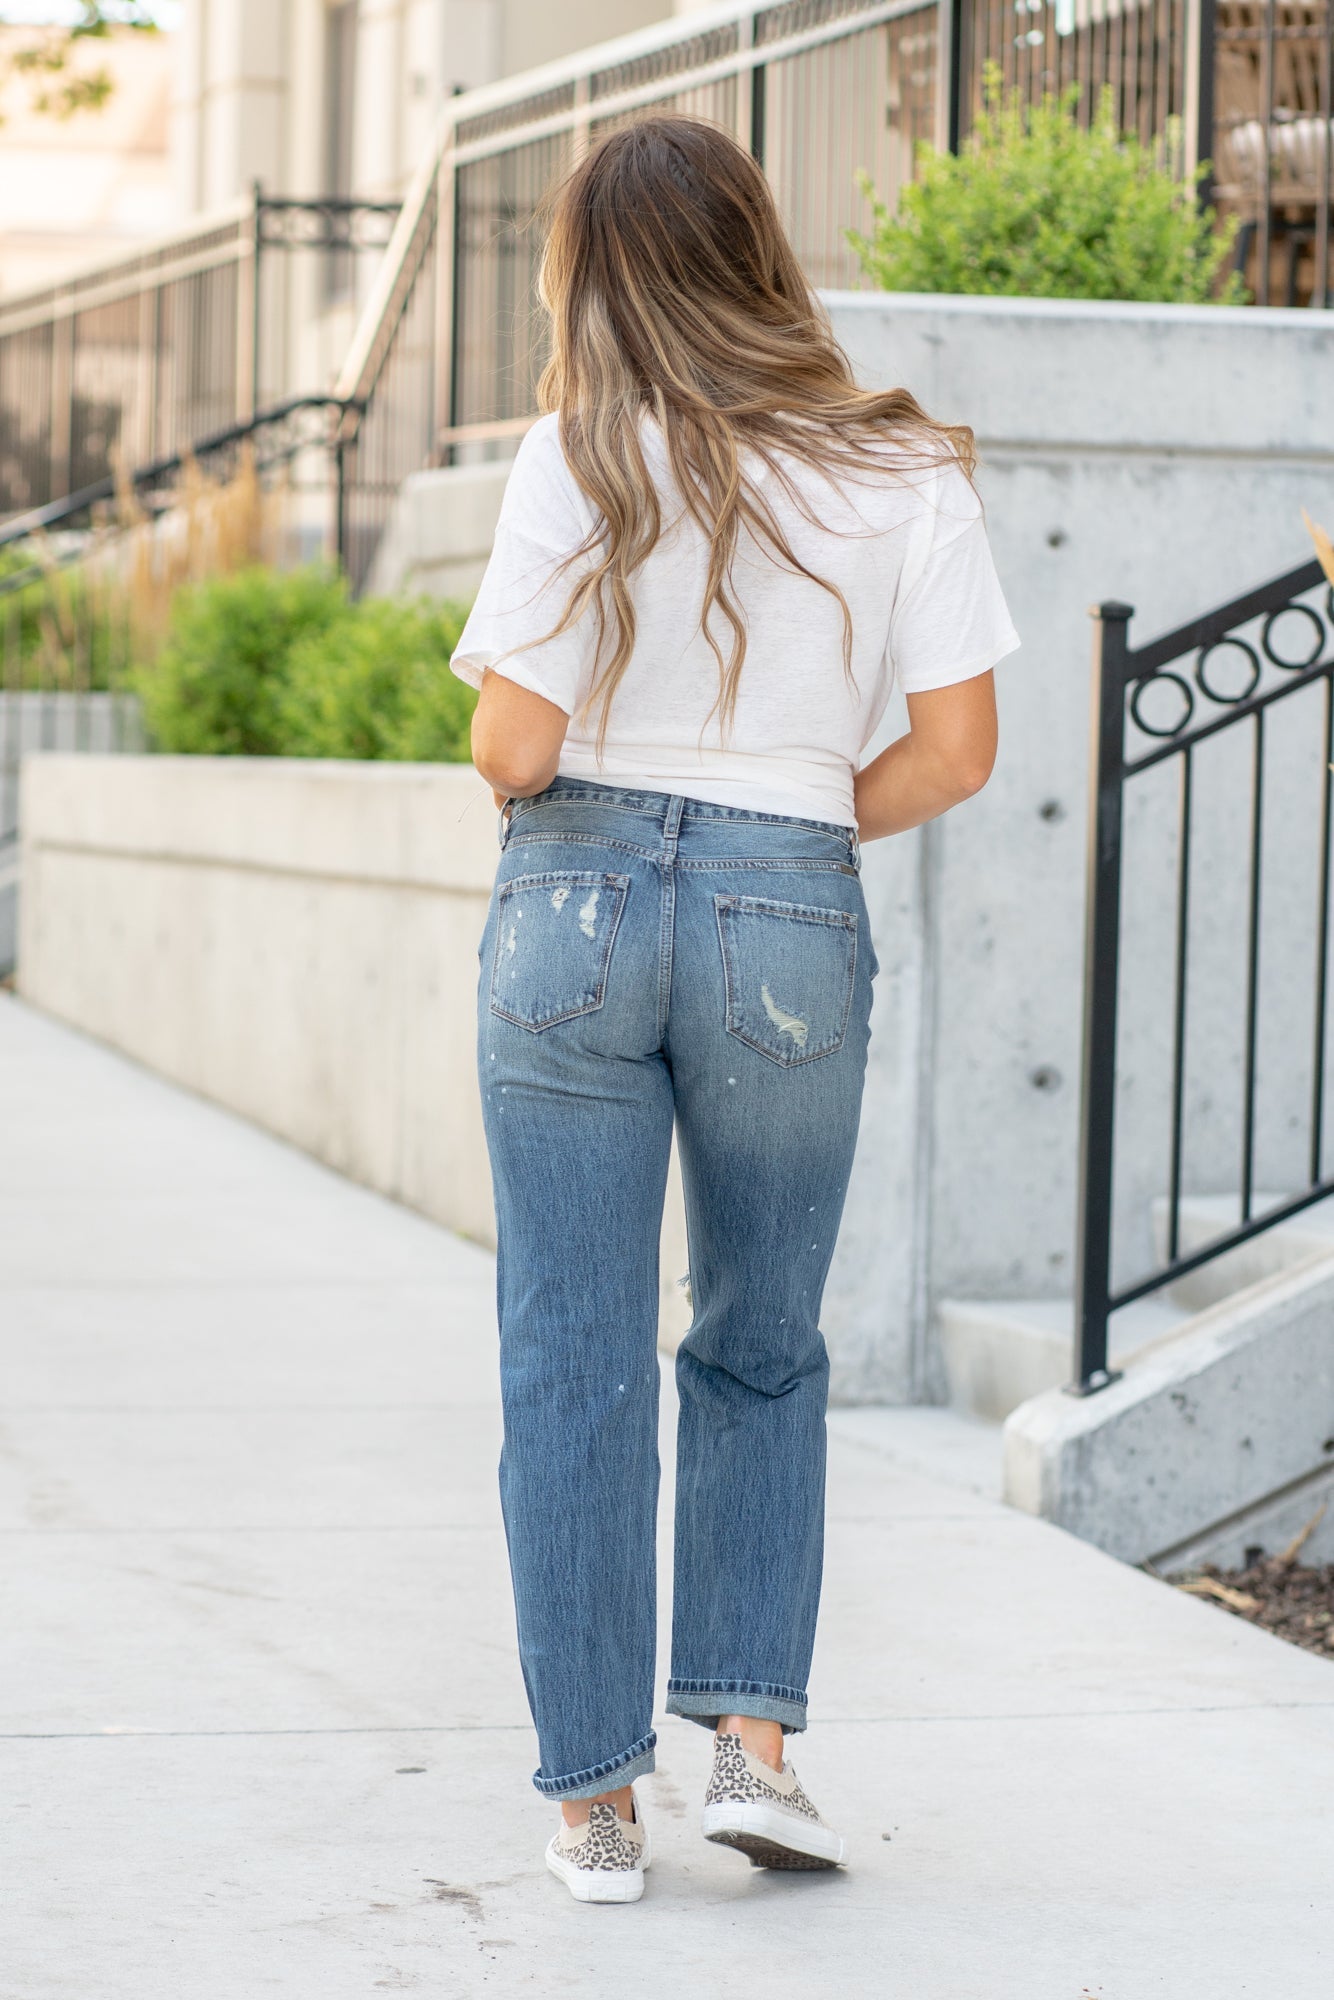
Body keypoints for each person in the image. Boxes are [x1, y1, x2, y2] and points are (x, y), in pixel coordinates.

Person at [449, 114, 1017, 1905]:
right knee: (761, 1337)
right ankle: (752, 1758)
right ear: (758, 250)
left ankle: (594, 1805)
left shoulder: (574, 453)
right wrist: (782, 833)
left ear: (595, 276)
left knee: (572, 1356)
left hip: (576, 911)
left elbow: (514, 746)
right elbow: (956, 752)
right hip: (787, 908)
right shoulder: (899, 462)